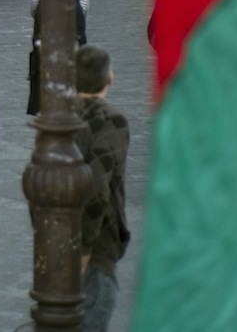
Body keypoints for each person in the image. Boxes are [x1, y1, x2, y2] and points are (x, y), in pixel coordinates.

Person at [76, 44, 130, 332]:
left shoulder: (57, 119)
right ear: (110, 78)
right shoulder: (111, 121)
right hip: (95, 250)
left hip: (56, 245)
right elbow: (97, 187)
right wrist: (85, 250)